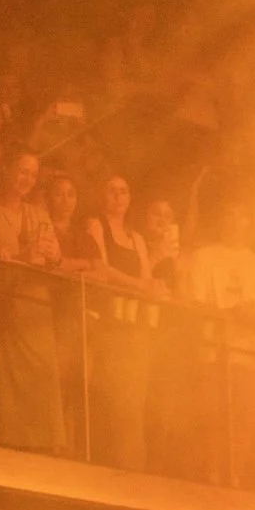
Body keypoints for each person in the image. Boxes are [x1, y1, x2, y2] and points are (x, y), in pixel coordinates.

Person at [0, 145, 66, 453]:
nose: (27, 179)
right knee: (5, 377)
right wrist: (20, 256)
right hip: (4, 301)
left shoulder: (38, 213)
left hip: (36, 307)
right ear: (7, 169)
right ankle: (3, 443)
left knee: (42, 373)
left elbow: (55, 259)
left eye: (33, 174)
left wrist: (54, 255)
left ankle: (42, 447)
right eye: (22, 171)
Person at [184, 196, 255, 487]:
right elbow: (194, 305)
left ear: (249, 222)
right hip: (214, 351)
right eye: (229, 214)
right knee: (213, 416)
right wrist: (229, 314)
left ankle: (236, 475)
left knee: (244, 419)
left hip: (250, 354)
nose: (234, 222)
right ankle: (212, 473)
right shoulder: (203, 257)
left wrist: (248, 317)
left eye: (241, 216)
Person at [86, 173, 164, 470]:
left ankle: (133, 468)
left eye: (124, 191)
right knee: (111, 396)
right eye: (112, 190)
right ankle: (109, 464)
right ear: (101, 196)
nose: (118, 197)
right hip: (108, 322)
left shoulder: (136, 238)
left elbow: (146, 276)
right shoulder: (96, 225)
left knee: (134, 399)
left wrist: (154, 286)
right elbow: (102, 268)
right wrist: (138, 285)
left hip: (135, 324)